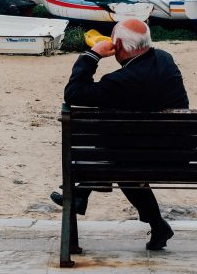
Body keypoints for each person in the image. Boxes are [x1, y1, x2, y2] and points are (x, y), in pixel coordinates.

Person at [50, 18, 189, 252]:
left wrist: (92, 55)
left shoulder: (121, 82)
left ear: (119, 45)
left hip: (143, 157)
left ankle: (81, 191)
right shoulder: (165, 59)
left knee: (120, 160)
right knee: (123, 154)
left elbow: (74, 94)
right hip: (180, 153)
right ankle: (156, 225)